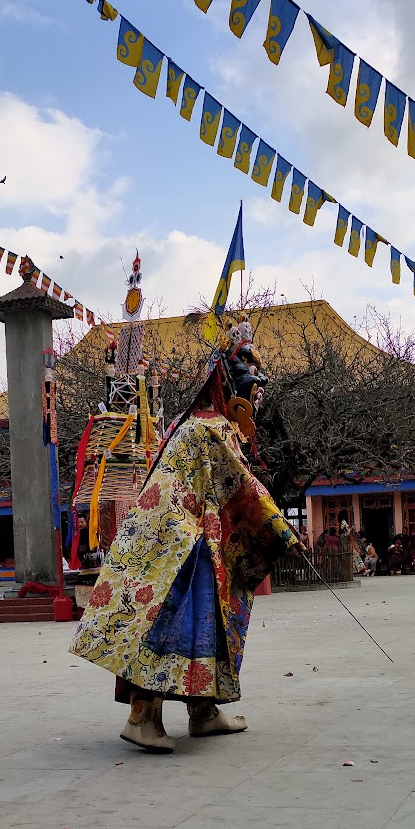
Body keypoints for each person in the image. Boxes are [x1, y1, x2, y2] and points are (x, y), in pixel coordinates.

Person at [72, 320, 295, 753]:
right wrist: (281, 530)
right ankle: (143, 717)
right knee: (170, 627)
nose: (255, 401)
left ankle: (204, 710)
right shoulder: (212, 428)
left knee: (199, 628)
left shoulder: (183, 422)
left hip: (167, 542)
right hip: (185, 549)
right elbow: (243, 488)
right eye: (253, 392)